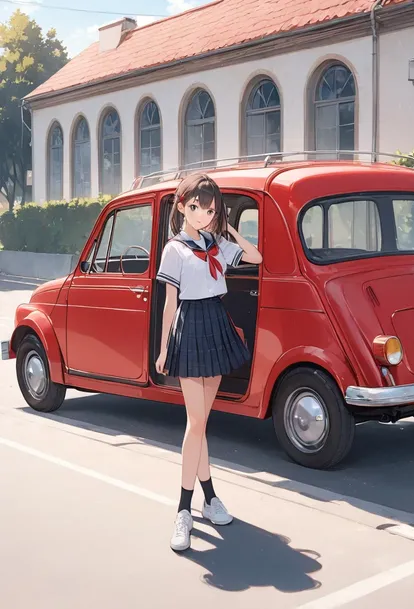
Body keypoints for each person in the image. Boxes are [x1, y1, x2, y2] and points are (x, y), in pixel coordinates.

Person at [155, 173, 263, 551]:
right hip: (190, 325)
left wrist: (228, 228)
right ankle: (186, 509)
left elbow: (256, 257)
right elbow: (170, 301)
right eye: (198, 207)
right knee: (196, 422)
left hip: (216, 323)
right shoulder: (174, 249)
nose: (204, 215)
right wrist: (165, 347)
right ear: (183, 206)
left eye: (211, 210)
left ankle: (209, 499)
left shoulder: (217, 244)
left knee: (200, 424)